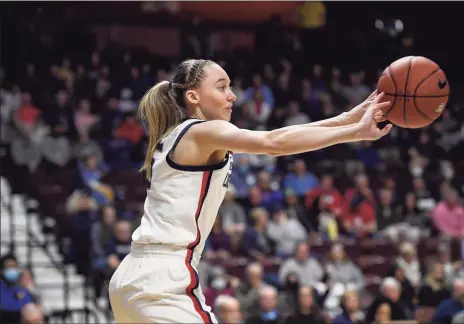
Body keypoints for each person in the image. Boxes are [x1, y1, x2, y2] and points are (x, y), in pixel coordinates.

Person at [108, 58, 392, 323]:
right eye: (222, 87)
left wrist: (348, 118)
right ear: (193, 96)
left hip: (134, 275)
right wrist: (354, 132)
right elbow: (274, 142)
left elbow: (280, 137)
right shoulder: (201, 131)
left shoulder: (182, 135)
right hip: (163, 280)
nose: (233, 96)